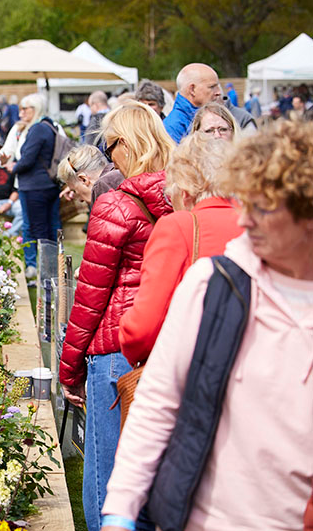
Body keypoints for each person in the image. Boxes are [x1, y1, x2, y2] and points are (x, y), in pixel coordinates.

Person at [101, 121, 313, 531]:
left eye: (264, 207)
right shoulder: (213, 284)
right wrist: (119, 512)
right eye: (245, 201)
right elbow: (158, 401)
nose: (245, 219)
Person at [59, 101, 174, 531]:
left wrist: (69, 369)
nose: (109, 159)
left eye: (109, 149)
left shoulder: (116, 206)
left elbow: (90, 298)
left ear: (126, 144)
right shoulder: (182, 198)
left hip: (117, 351)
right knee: (153, 481)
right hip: (166, 346)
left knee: (108, 482)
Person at [118, 133, 243, 367]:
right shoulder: (258, 226)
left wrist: (126, 336)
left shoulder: (179, 226)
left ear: (184, 191)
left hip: (197, 369)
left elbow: (142, 328)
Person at [2, 93, 60, 279]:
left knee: (37, 230)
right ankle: (53, 270)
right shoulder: (50, 125)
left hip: (35, 187)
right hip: (50, 184)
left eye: (25, 109)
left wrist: (14, 167)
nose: (21, 113)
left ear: (35, 109)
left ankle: (44, 273)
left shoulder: (37, 129)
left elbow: (27, 159)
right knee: (51, 228)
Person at [163, 63, 222, 143]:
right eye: (212, 87)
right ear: (192, 90)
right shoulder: (173, 127)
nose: (218, 92)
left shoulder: (209, 116)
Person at [57, 145, 124, 207]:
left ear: (83, 179)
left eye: (74, 191)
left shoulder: (102, 189)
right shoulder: (122, 172)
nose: (80, 200)